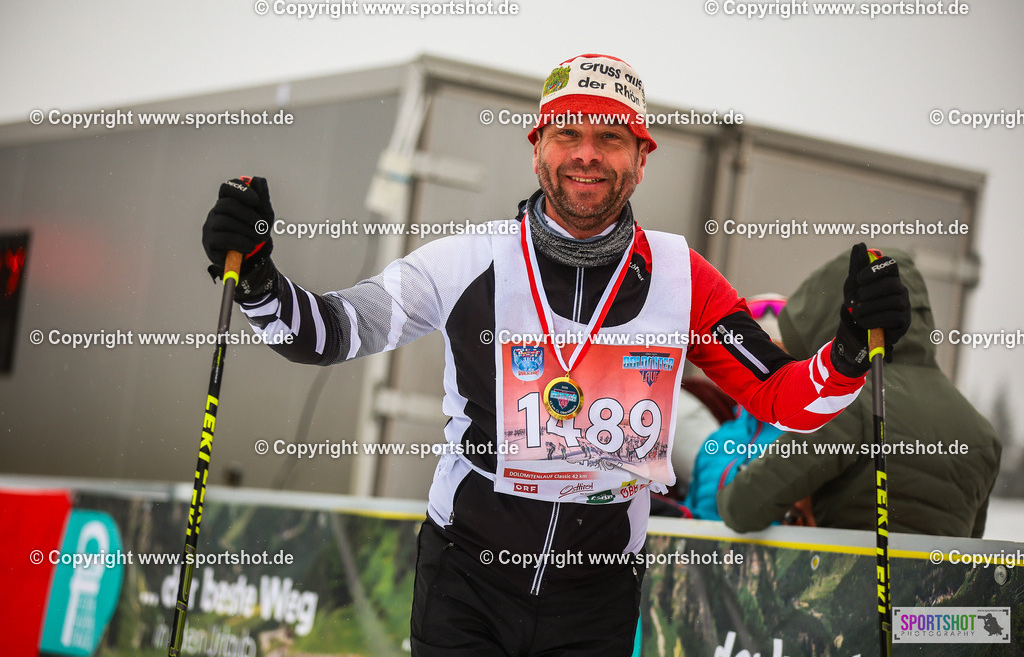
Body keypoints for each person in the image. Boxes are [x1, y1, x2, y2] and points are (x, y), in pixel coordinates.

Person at [201, 54, 912, 656]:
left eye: (610, 137)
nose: (586, 154)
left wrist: (849, 349)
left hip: (594, 596)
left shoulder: (680, 276)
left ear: (641, 157)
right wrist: (260, 278)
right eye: (567, 132)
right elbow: (331, 331)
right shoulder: (467, 261)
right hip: (467, 581)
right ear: (537, 145)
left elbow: (784, 396)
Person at [717, 249, 1001, 537]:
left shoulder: (847, 401)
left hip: (856, 579)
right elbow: (968, 554)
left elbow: (741, 508)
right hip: (940, 583)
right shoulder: (983, 433)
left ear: (838, 316)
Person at [682, 295, 788, 521]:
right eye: (751, 357)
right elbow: (692, 519)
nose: (762, 368)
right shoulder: (717, 439)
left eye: (777, 357)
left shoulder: (809, 438)